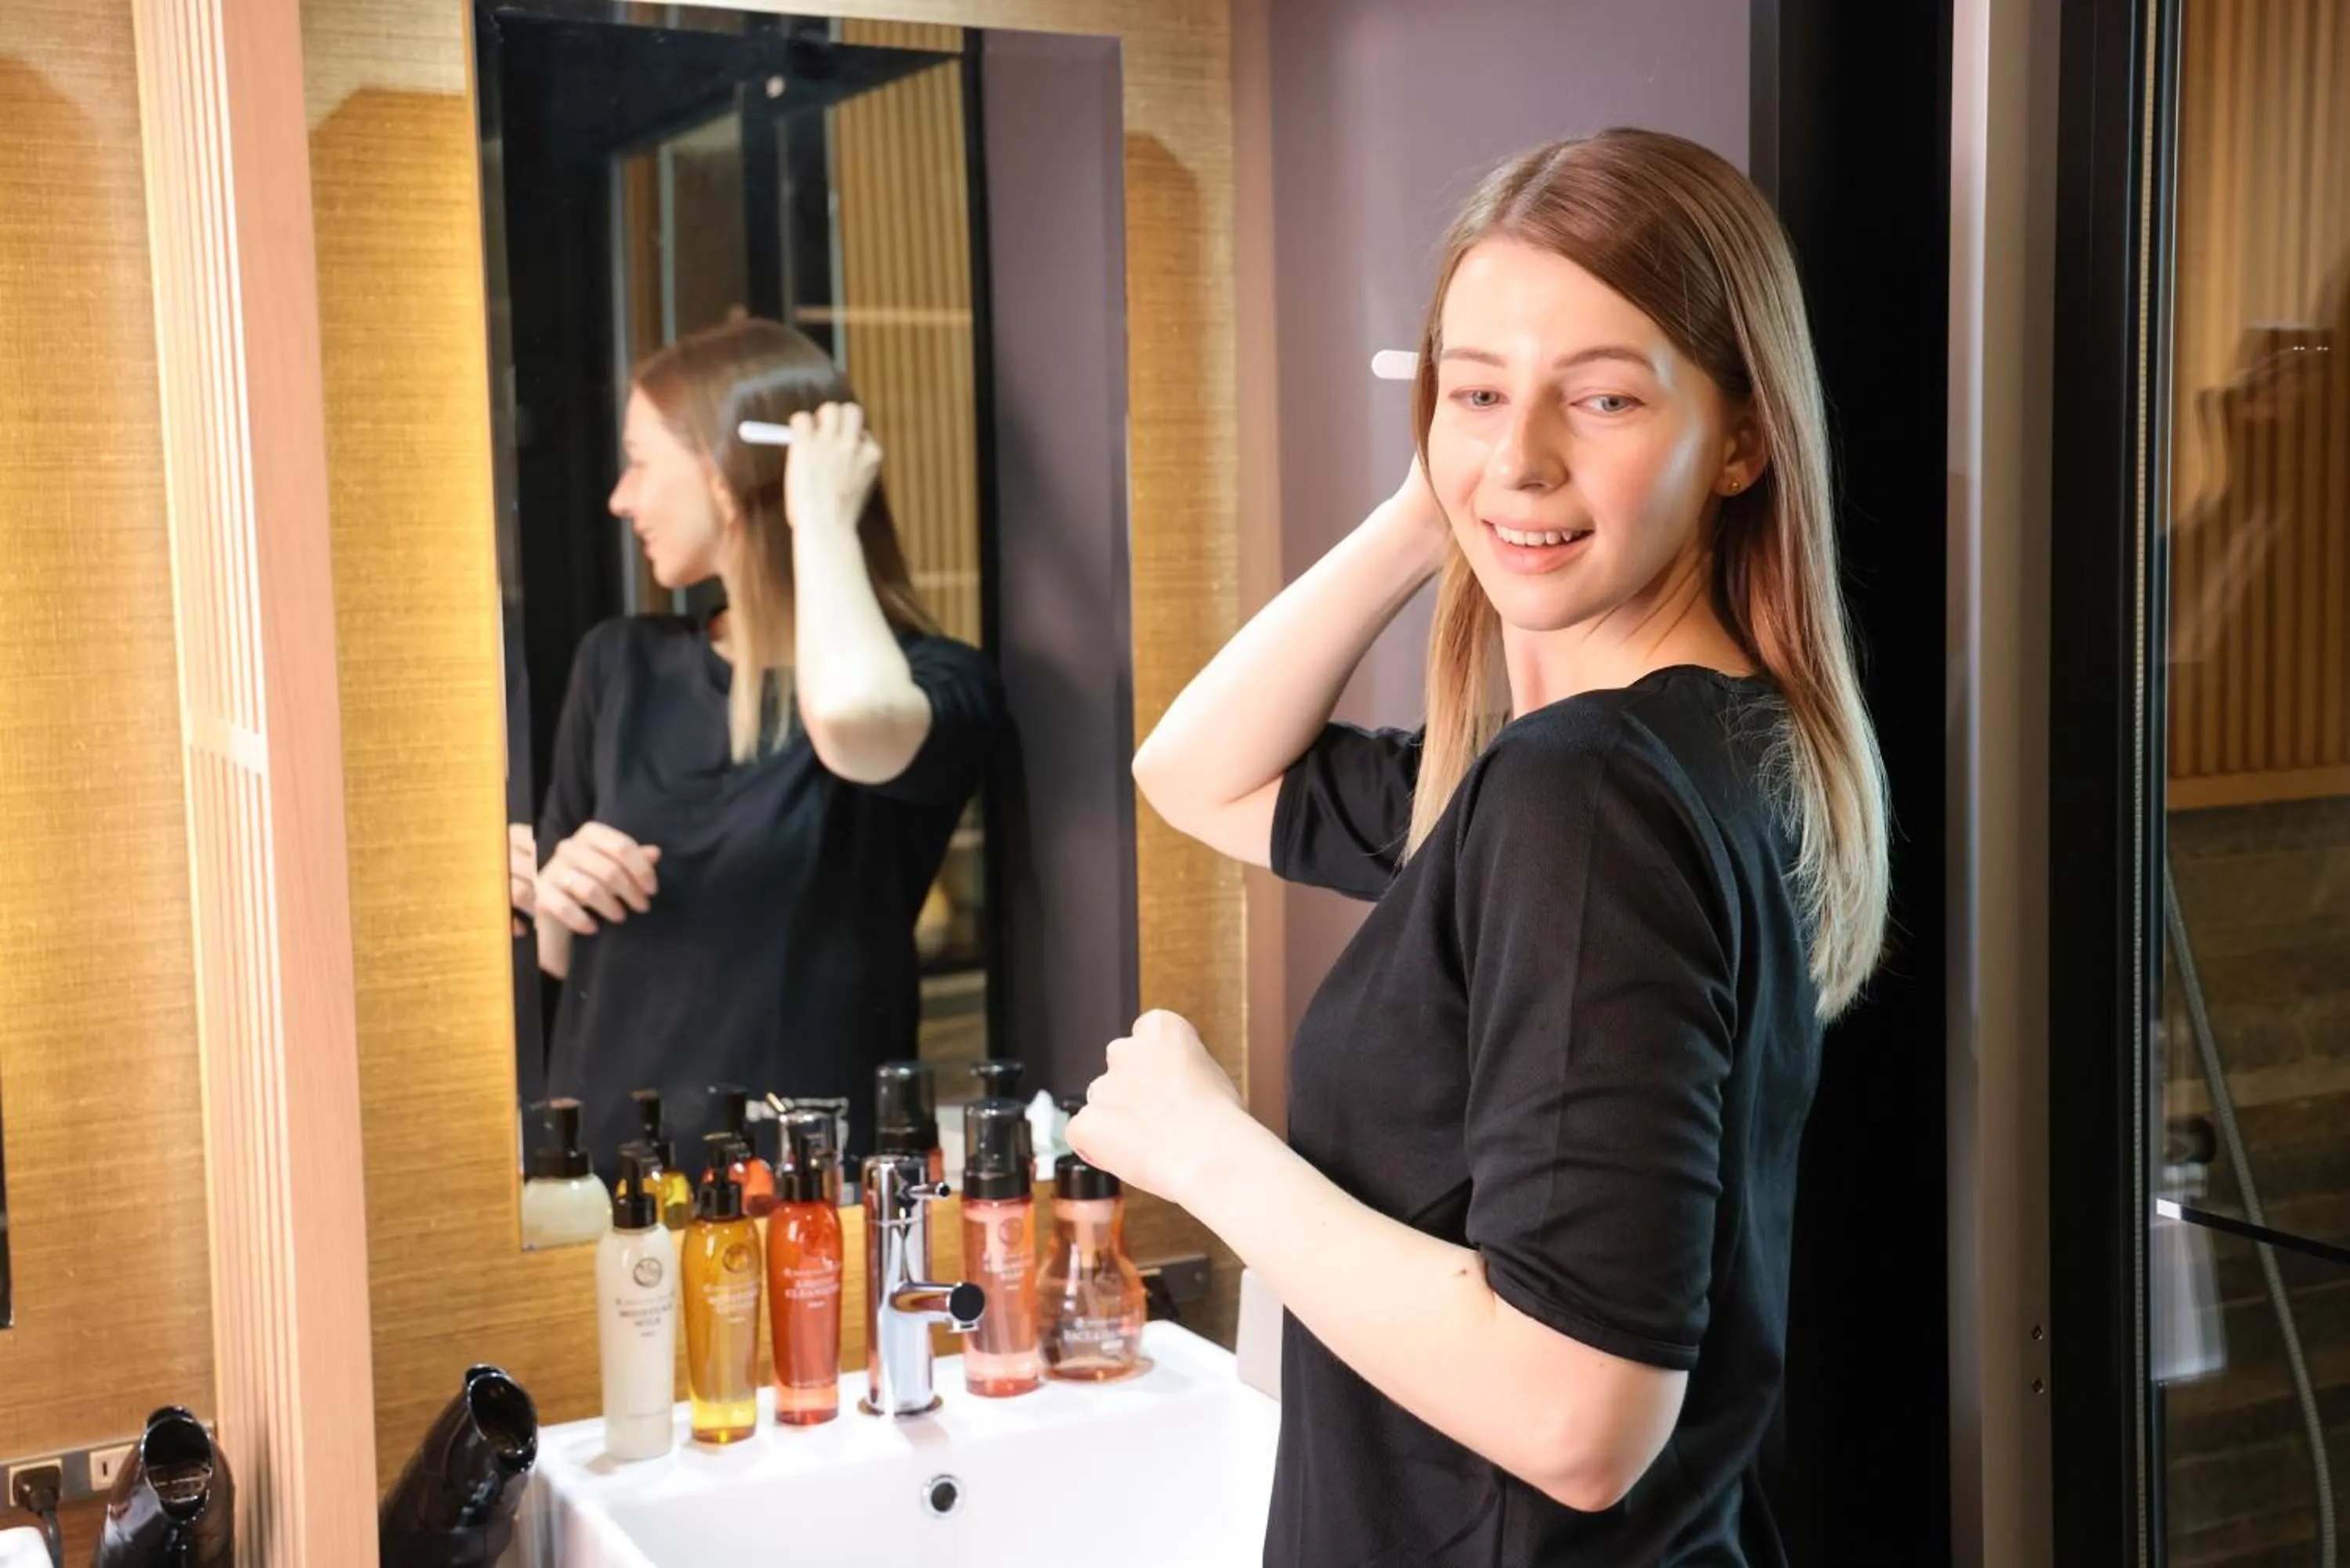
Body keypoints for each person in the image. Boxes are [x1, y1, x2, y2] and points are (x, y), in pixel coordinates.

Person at [1068, 129, 1890, 1565]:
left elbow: (1582, 1415)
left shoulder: (1587, 798)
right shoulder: (1685, 753)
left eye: (1606, 396)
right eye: (1478, 392)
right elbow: (1192, 773)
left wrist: (1211, 1155)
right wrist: (1428, 505)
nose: (1526, 454)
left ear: (1744, 436)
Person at [515, 318, 1000, 1176]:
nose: (620, 499)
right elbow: (561, 962)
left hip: (805, 1198)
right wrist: (557, 893)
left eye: (639, 460)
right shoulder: (619, 663)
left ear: (723, 472)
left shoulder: (931, 687)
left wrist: (816, 518)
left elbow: (850, 716)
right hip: (608, 1186)